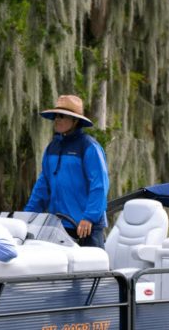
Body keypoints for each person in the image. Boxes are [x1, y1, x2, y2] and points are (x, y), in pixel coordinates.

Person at [24, 94, 109, 247]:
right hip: (58, 227)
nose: (57, 119)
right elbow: (43, 186)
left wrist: (89, 217)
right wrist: (26, 216)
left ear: (75, 120)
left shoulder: (89, 147)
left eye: (62, 116)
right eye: (56, 115)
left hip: (86, 227)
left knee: (93, 270)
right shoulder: (52, 148)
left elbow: (99, 185)